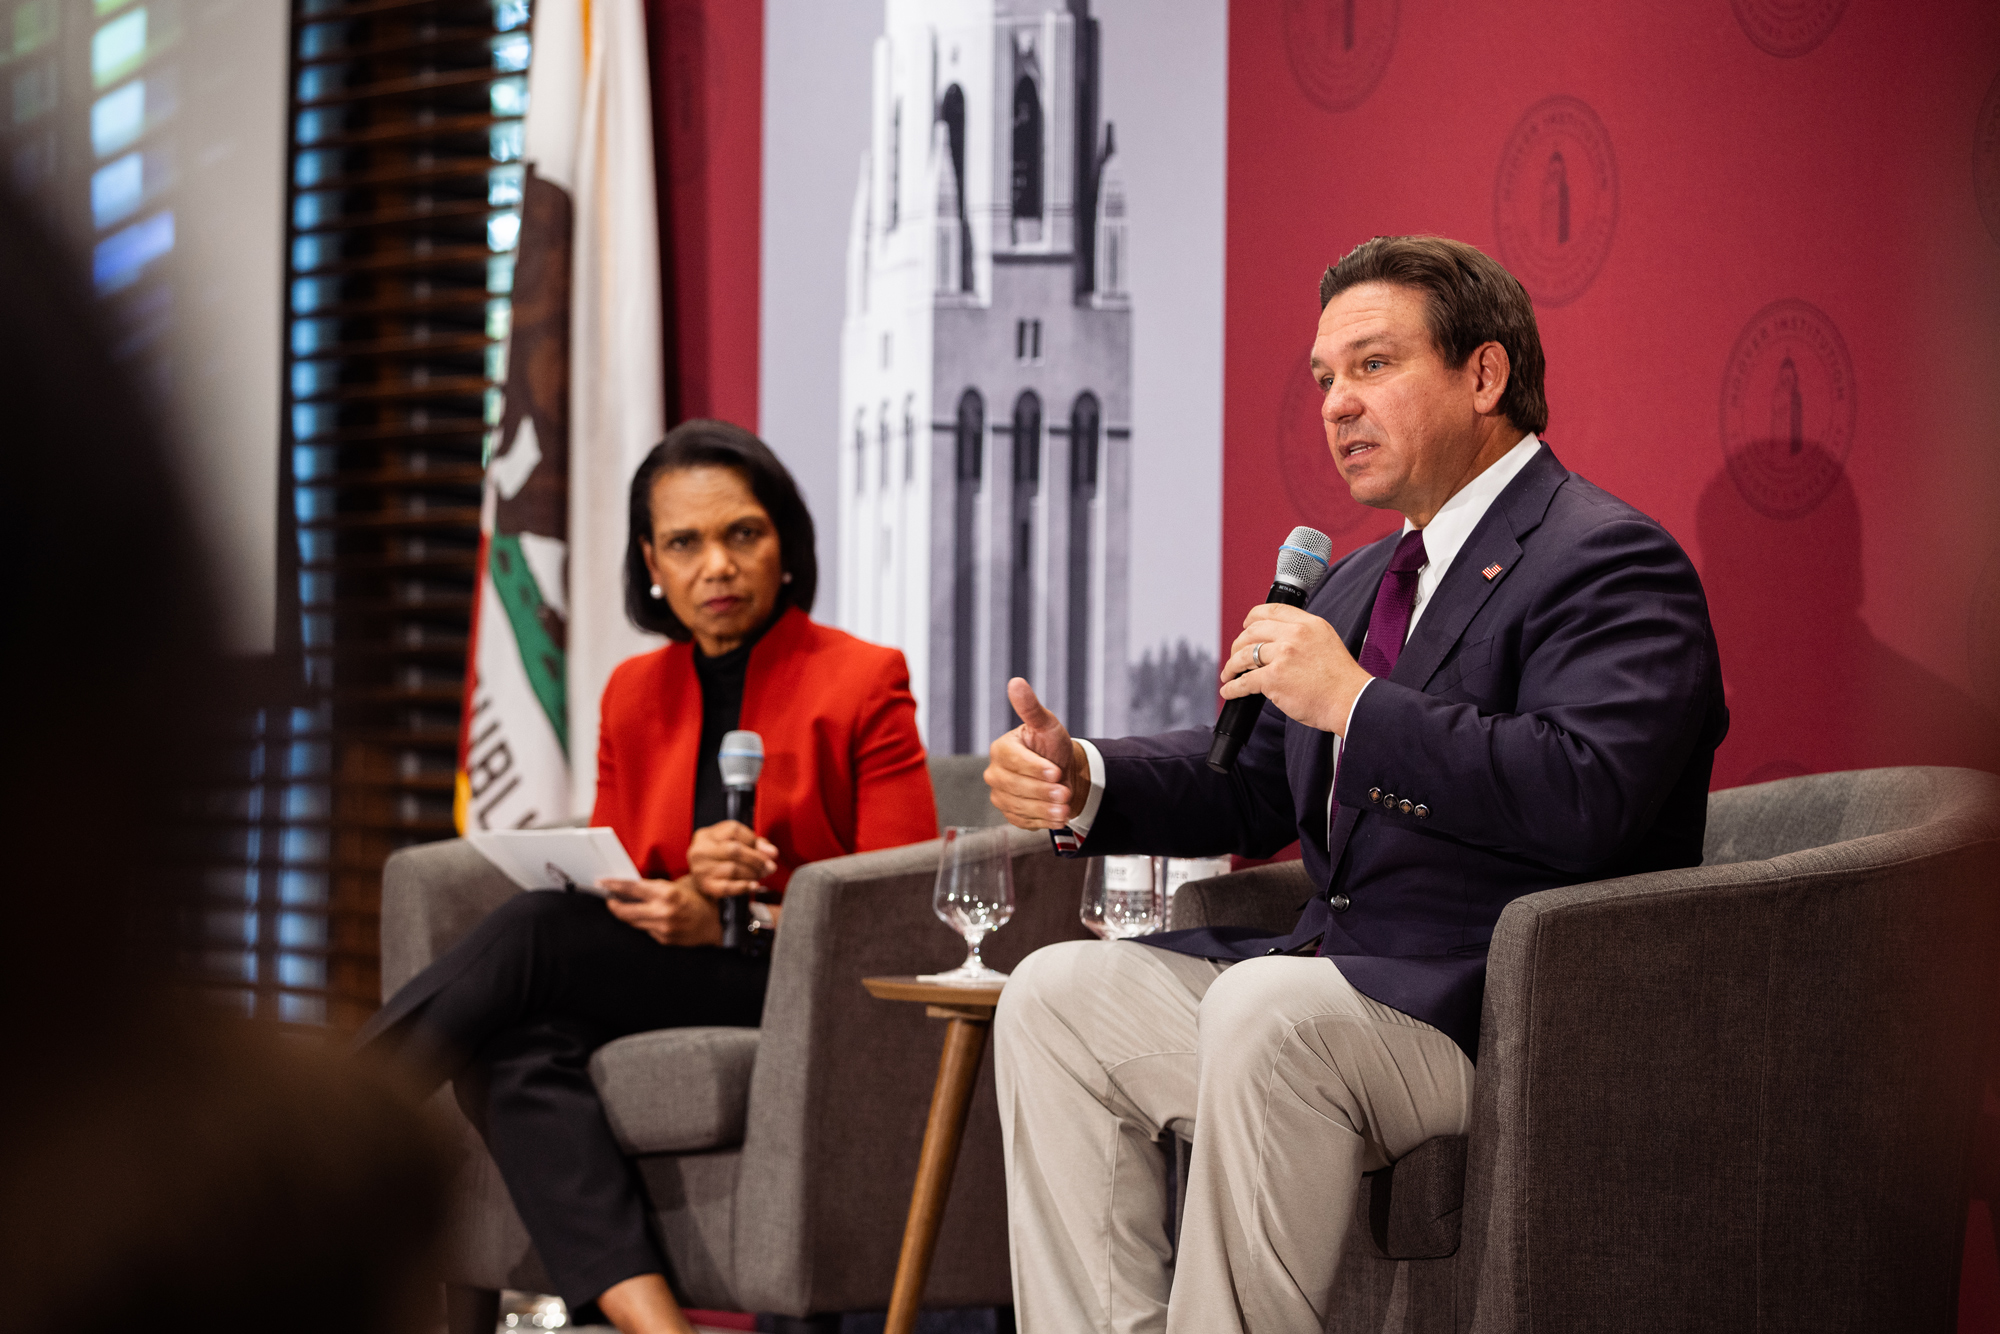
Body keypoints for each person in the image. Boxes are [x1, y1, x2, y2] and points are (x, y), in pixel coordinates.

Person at [983, 235, 1727, 1332]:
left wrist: (1355, 704)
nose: (1334, 404)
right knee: (1056, 996)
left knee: (1262, 1007)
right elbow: (1251, 781)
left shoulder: (1608, 559)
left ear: (1483, 374)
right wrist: (1083, 773)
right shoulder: (1361, 577)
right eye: (1325, 377)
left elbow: (1585, 794)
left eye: (1371, 366)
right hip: (1320, 982)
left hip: (1500, 1008)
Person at [357, 419, 938, 1334]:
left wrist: (749, 913)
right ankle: (655, 1326)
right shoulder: (634, 691)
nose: (717, 564)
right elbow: (622, 868)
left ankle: (331, 1115)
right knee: (517, 1045)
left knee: (536, 931)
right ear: (651, 564)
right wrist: (681, 898)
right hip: (677, 967)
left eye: (742, 534)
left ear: (784, 544)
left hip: (801, 985)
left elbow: (903, 914)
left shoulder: (863, 681)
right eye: (685, 543)